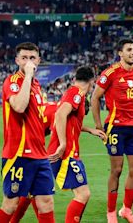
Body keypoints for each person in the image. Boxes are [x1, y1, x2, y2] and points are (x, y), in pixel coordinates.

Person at [91, 38, 133, 223]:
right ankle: (111, 211)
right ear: (120, 53)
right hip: (115, 128)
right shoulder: (110, 73)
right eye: (129, 50)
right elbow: (95, 98)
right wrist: (98, 125)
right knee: (117, 170)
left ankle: (126, 209)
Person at [0, 42, 55, 223]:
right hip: (18, 154)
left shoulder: (37, 86)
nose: (28, 62)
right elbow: (19, 106)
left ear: (39, 60)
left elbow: (39, 122)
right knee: (10, 204)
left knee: (46, 202)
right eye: (24, 58)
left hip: (40, 154)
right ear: (16, 60)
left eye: (32, 58)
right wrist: (28, 75)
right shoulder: (12, 82)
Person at [48, 66, 107, 222]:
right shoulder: (77, 93)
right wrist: (62, 144)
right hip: (65, 153)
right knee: (83, 194)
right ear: (92, 82)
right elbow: (60, 114)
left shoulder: (74, 93)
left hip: (69, 152)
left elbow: (70, 121)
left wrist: (89, 130)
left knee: (39, 194)